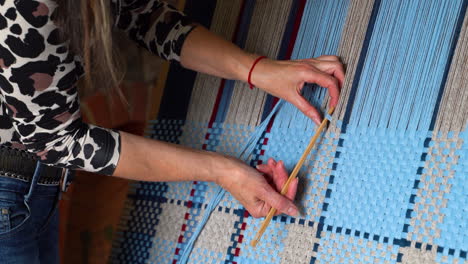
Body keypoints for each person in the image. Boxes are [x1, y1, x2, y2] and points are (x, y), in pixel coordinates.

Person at [0, 0, 344, 262]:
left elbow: (143, 15)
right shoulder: (23, 7)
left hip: (34, 186)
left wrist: (258, 69)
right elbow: (60, 141)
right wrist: (224, 171)